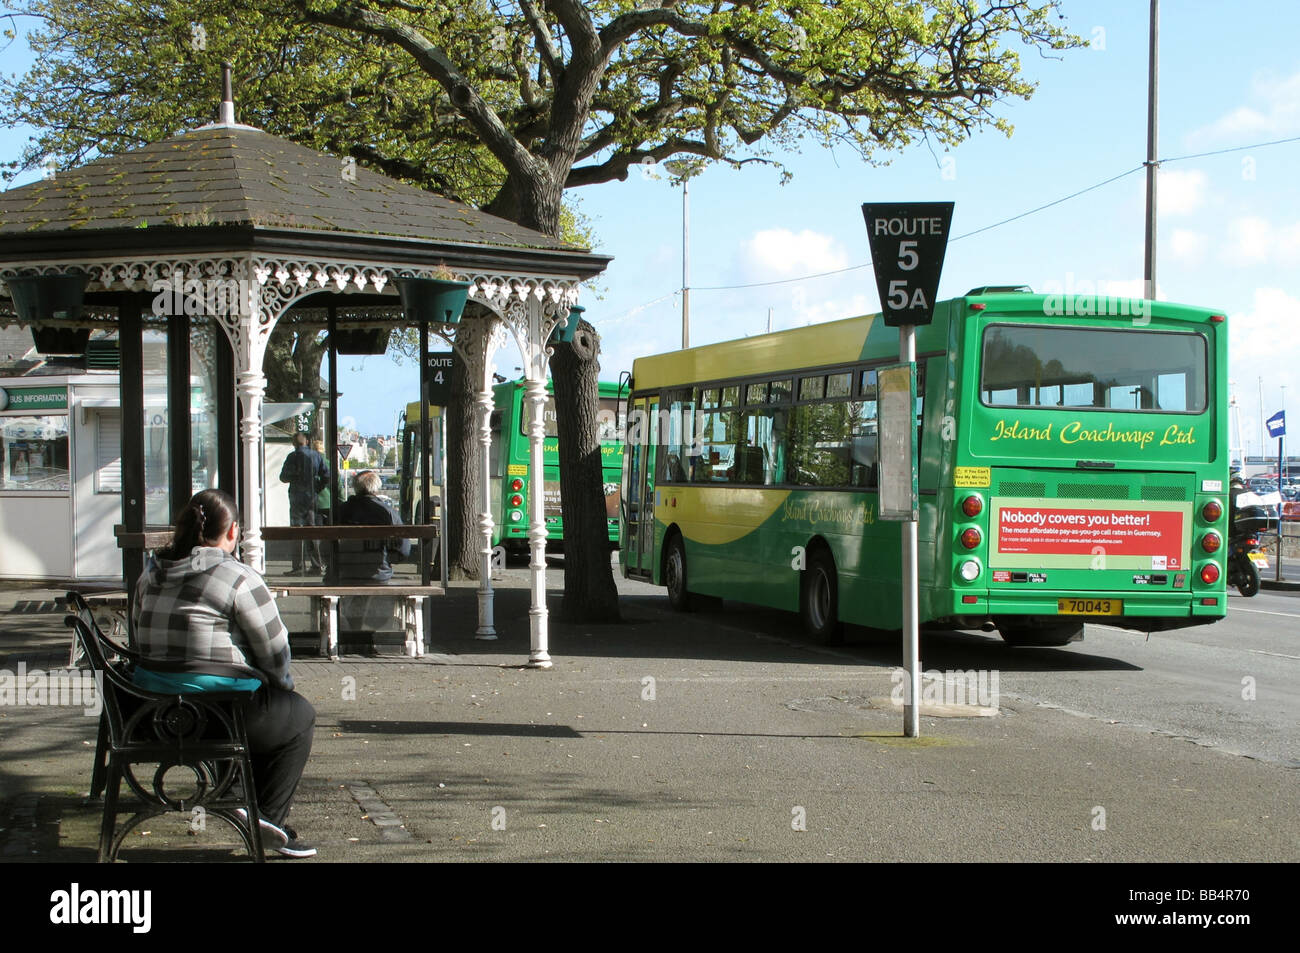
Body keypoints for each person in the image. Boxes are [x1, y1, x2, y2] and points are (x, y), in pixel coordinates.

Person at [132, 488, 317, 858]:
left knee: (230, 696)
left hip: (152, 715)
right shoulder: (237, 577)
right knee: (295, 716)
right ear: (232, 531)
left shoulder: (149, 575)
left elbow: (137, 640)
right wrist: (280, 688)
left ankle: (234, 796)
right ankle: (267, 819)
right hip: (221, 715)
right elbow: (276, 651)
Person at [336, 469, 411, 582]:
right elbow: (404, 550)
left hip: (342, 573)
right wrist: (387, 559)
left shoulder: (340, 511)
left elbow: (324, 548)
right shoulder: (388, 512)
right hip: (378, 574)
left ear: (356, 487)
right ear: (376, 488)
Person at [279, 432, 328, 573]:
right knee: (311, 530)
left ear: (294, 443)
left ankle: (298, 566)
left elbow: (283, 477)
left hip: (296, 497)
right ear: (307, 441)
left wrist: (295, 477)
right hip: (311, 497)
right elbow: (326, 475)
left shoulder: (292, 457)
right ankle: (316, 564)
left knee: (296, 531)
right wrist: (317, 488)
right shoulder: (316, 456)